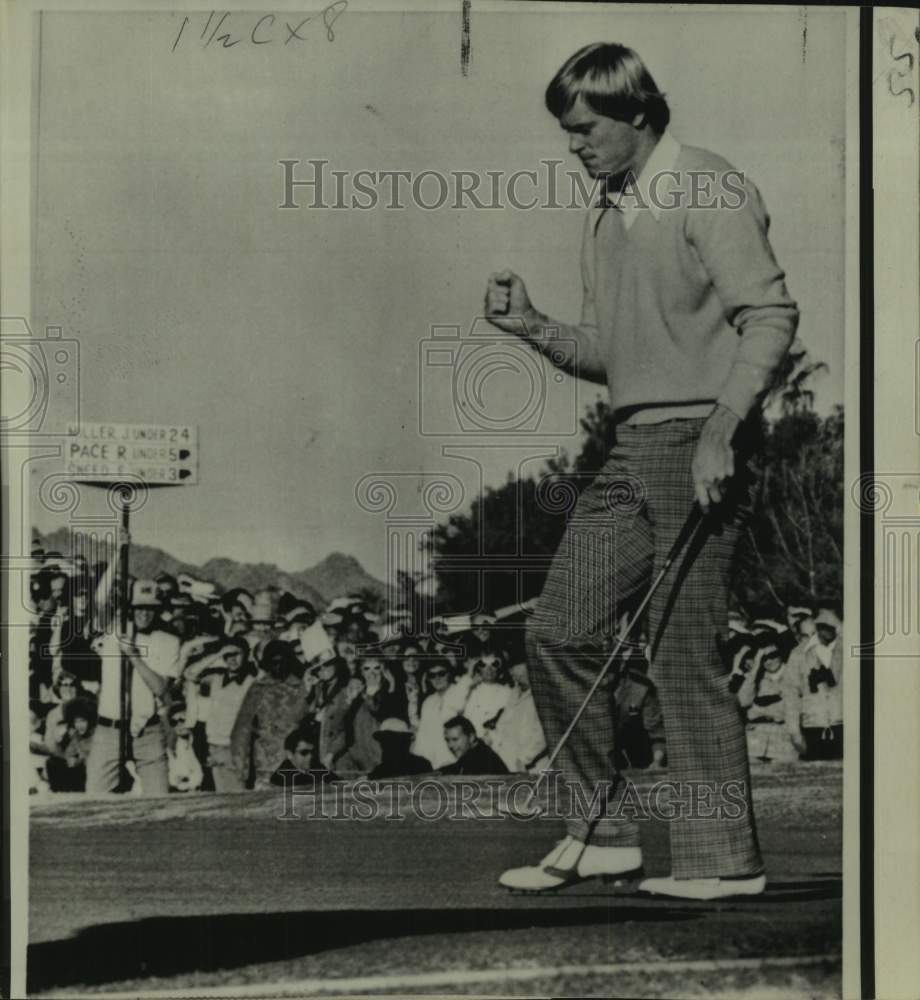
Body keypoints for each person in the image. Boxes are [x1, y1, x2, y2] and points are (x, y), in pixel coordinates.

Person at [487, 42, 797, 898]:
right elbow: (609, 354)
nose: (574, 146)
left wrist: (725, 427)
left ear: (637, 113)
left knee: (679, 652)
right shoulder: (605, 214)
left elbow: (769, 315)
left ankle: (722, 861)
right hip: (631, 448)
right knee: (557, 629)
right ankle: (603, 832)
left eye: (585, 128)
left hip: (702, 439)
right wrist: (533, 328)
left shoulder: (708, 186)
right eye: (566, 132)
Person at [85, 579, 181, 795]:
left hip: (148, 730)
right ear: (131, 608)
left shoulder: (169, 641)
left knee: (159, 801)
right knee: (94, 800)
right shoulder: (112, 633)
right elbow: (99, 599)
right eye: (139, 608)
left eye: (151, 608)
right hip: (109, 731)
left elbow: (161, 688)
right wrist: (118, 554)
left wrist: (134, 656)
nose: (144, 614)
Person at [230, 639, 309, 789]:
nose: (278, 667)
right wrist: (241, 767)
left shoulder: (302, 687)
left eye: (282, 662)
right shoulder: (258, 689)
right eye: (273, 662)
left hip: (297, 762)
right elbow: (242, 728)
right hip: (266, 764)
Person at [784, 608, 843, 760]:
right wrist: (794, 732)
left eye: (815, 634)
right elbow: (791, 696)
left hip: (844, 727)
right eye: (805, 636)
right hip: (812, 729)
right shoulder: (797, 655)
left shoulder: (843, 651)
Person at [483, 661, 547, 773]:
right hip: (507, 763)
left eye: (515, 667)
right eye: (511, 669)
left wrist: (524, 759)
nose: (512, 672)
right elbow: (503, 724)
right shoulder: (515, 691)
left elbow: (542, 735)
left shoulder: (544, 694)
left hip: (531, 767)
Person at [412, 658, 467, 769]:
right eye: (432, 675)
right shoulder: (428, 702)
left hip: (456, 762)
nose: (437, 679)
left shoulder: (461, 693)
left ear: (450, 674)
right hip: (432, 764)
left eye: (441, 674)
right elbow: (422, 737)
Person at [270, 725, 340, 789]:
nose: (310, 756)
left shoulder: (316, 766)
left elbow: (339, 783)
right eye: (304, 752)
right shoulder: (280, 778)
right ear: (289, 754)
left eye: (313, 752)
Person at [439, 716, 508, 776]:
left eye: (455, 739)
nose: (450, 745)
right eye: (447, 740)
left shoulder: (482, 760)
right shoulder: (476, 753)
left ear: (471, 737)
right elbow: (456, 767)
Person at [367, 718, 431, 779]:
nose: (384, 745)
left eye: (391, 741)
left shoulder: (422, 766)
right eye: (383, 741)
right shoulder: (379, 772)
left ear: (405, 742)